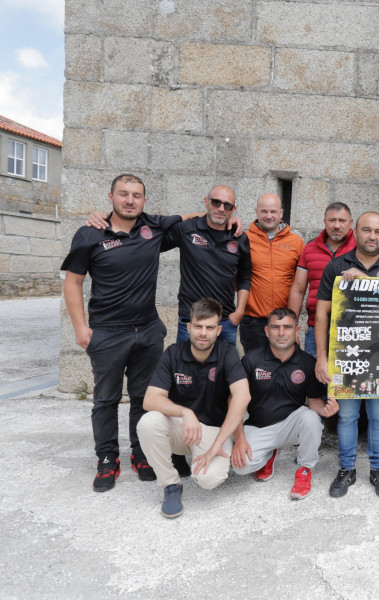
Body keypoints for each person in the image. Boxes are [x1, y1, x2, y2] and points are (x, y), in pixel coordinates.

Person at [62, 174, 186, 491]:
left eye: (136, 195)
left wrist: (227, 217)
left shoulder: (153, 227)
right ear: (111, 196)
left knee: (144, 398)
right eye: (123, 194)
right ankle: (107, 458)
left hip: (148, 331)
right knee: (106, 399)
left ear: (144, 200)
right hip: (107, 334)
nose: (130, 200)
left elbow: (192, 219)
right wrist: (81, 329)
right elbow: (73, 282)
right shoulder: (90, 233)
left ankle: (141, 454)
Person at [314, 212, 379, 499]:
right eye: (367, 230)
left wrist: (366, 281)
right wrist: (322, 357)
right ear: (355, 232)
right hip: (348, 354)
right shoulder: (337, 266)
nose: (373, 236)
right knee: (346, 417)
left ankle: (378, 468)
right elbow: (322, 313)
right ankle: (346, 469)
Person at [137, 298, 251, 518]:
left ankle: (208, 457)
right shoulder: (172, 353)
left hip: (213, 432)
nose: (203, 333)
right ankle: (171, 485)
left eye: (209, 327)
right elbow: (150, 399)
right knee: (148, 422)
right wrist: (184, 412)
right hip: (184, 429)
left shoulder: (227, 353)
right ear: (188, 327)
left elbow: (242, 396)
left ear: (218, 330)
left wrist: (217, 445)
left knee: (209, 480)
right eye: (198, 326)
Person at [233, 308, 335, 499]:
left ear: (297, 331)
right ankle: (269, 454)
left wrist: (326, 411)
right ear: (266, 331)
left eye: (287, 327)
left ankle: (305, 469)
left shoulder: (307, 363)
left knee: (312, 419)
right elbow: (235, 403)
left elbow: (313, 402)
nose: (281, 333)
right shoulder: (251, 360)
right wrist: (239, 439)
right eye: (275, 327)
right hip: (259, 426)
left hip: (291, 425)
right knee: (240, 467)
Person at [164, 185, 252, 346]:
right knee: (185, 369)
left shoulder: (239, 237)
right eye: (216, 202)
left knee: (224, 370)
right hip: (191, 321)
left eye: (227, 205)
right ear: (206, 201)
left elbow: (245, 276)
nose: (221, 208)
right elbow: (154, 233)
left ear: (233, 209)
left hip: (224, 321)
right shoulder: (187, 229)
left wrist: (239, 312)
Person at [288, 202, 355, 359]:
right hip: (315, 327)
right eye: (332, 220)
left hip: (352, 329)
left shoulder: (360, 248)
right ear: (324, 221)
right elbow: (298, 290)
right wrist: (291, 327)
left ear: (351, 223)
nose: (337, 225)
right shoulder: (310, 248)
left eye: (342, 220)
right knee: (317, 378)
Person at [240, 194, 305, 352]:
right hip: (253, 321)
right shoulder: (243, 239)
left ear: (281, 213)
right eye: (264, 211)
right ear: (256, 212)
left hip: (284, 321)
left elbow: (301, 285)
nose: (269, 216)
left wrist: (293, 322)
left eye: (273, 212)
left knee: (284, 371)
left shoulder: (296, 242)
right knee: (256, 371)